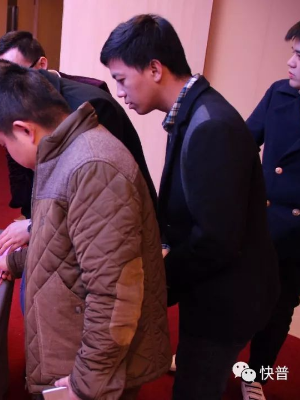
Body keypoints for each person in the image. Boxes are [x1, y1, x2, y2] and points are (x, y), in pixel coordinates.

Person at [101, 14, 279, 400]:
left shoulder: (210, 125)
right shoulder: (191, 112)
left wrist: (157, 285)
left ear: (154, 69)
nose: (120, 92)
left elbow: (216, 241)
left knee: (196, 388)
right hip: (216, 285)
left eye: (121, 79)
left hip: (228, 297)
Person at [0, 63, 170, 399]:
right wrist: (17, 262)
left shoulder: (93, 167)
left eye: (3, 143)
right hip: (74, 349)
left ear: (24, 130)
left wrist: (87, 383)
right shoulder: (64, 150)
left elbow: (114, 293)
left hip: (90, 370)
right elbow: (64, 238)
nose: (7, 152)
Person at [243, 15, 300, 400]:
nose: (290, 62)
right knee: (234, 295)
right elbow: (243, 145)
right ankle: (205, 360)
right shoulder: (278, 93)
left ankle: (257, 375)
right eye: (292, 53)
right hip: (262, 223)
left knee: (280, 309)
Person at [0, 31, 113, 220]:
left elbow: (100, 189)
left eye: (16, 75)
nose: (10, 86)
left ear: (42, 64)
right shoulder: (18, 98)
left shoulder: (90, 100)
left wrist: (34, 226)